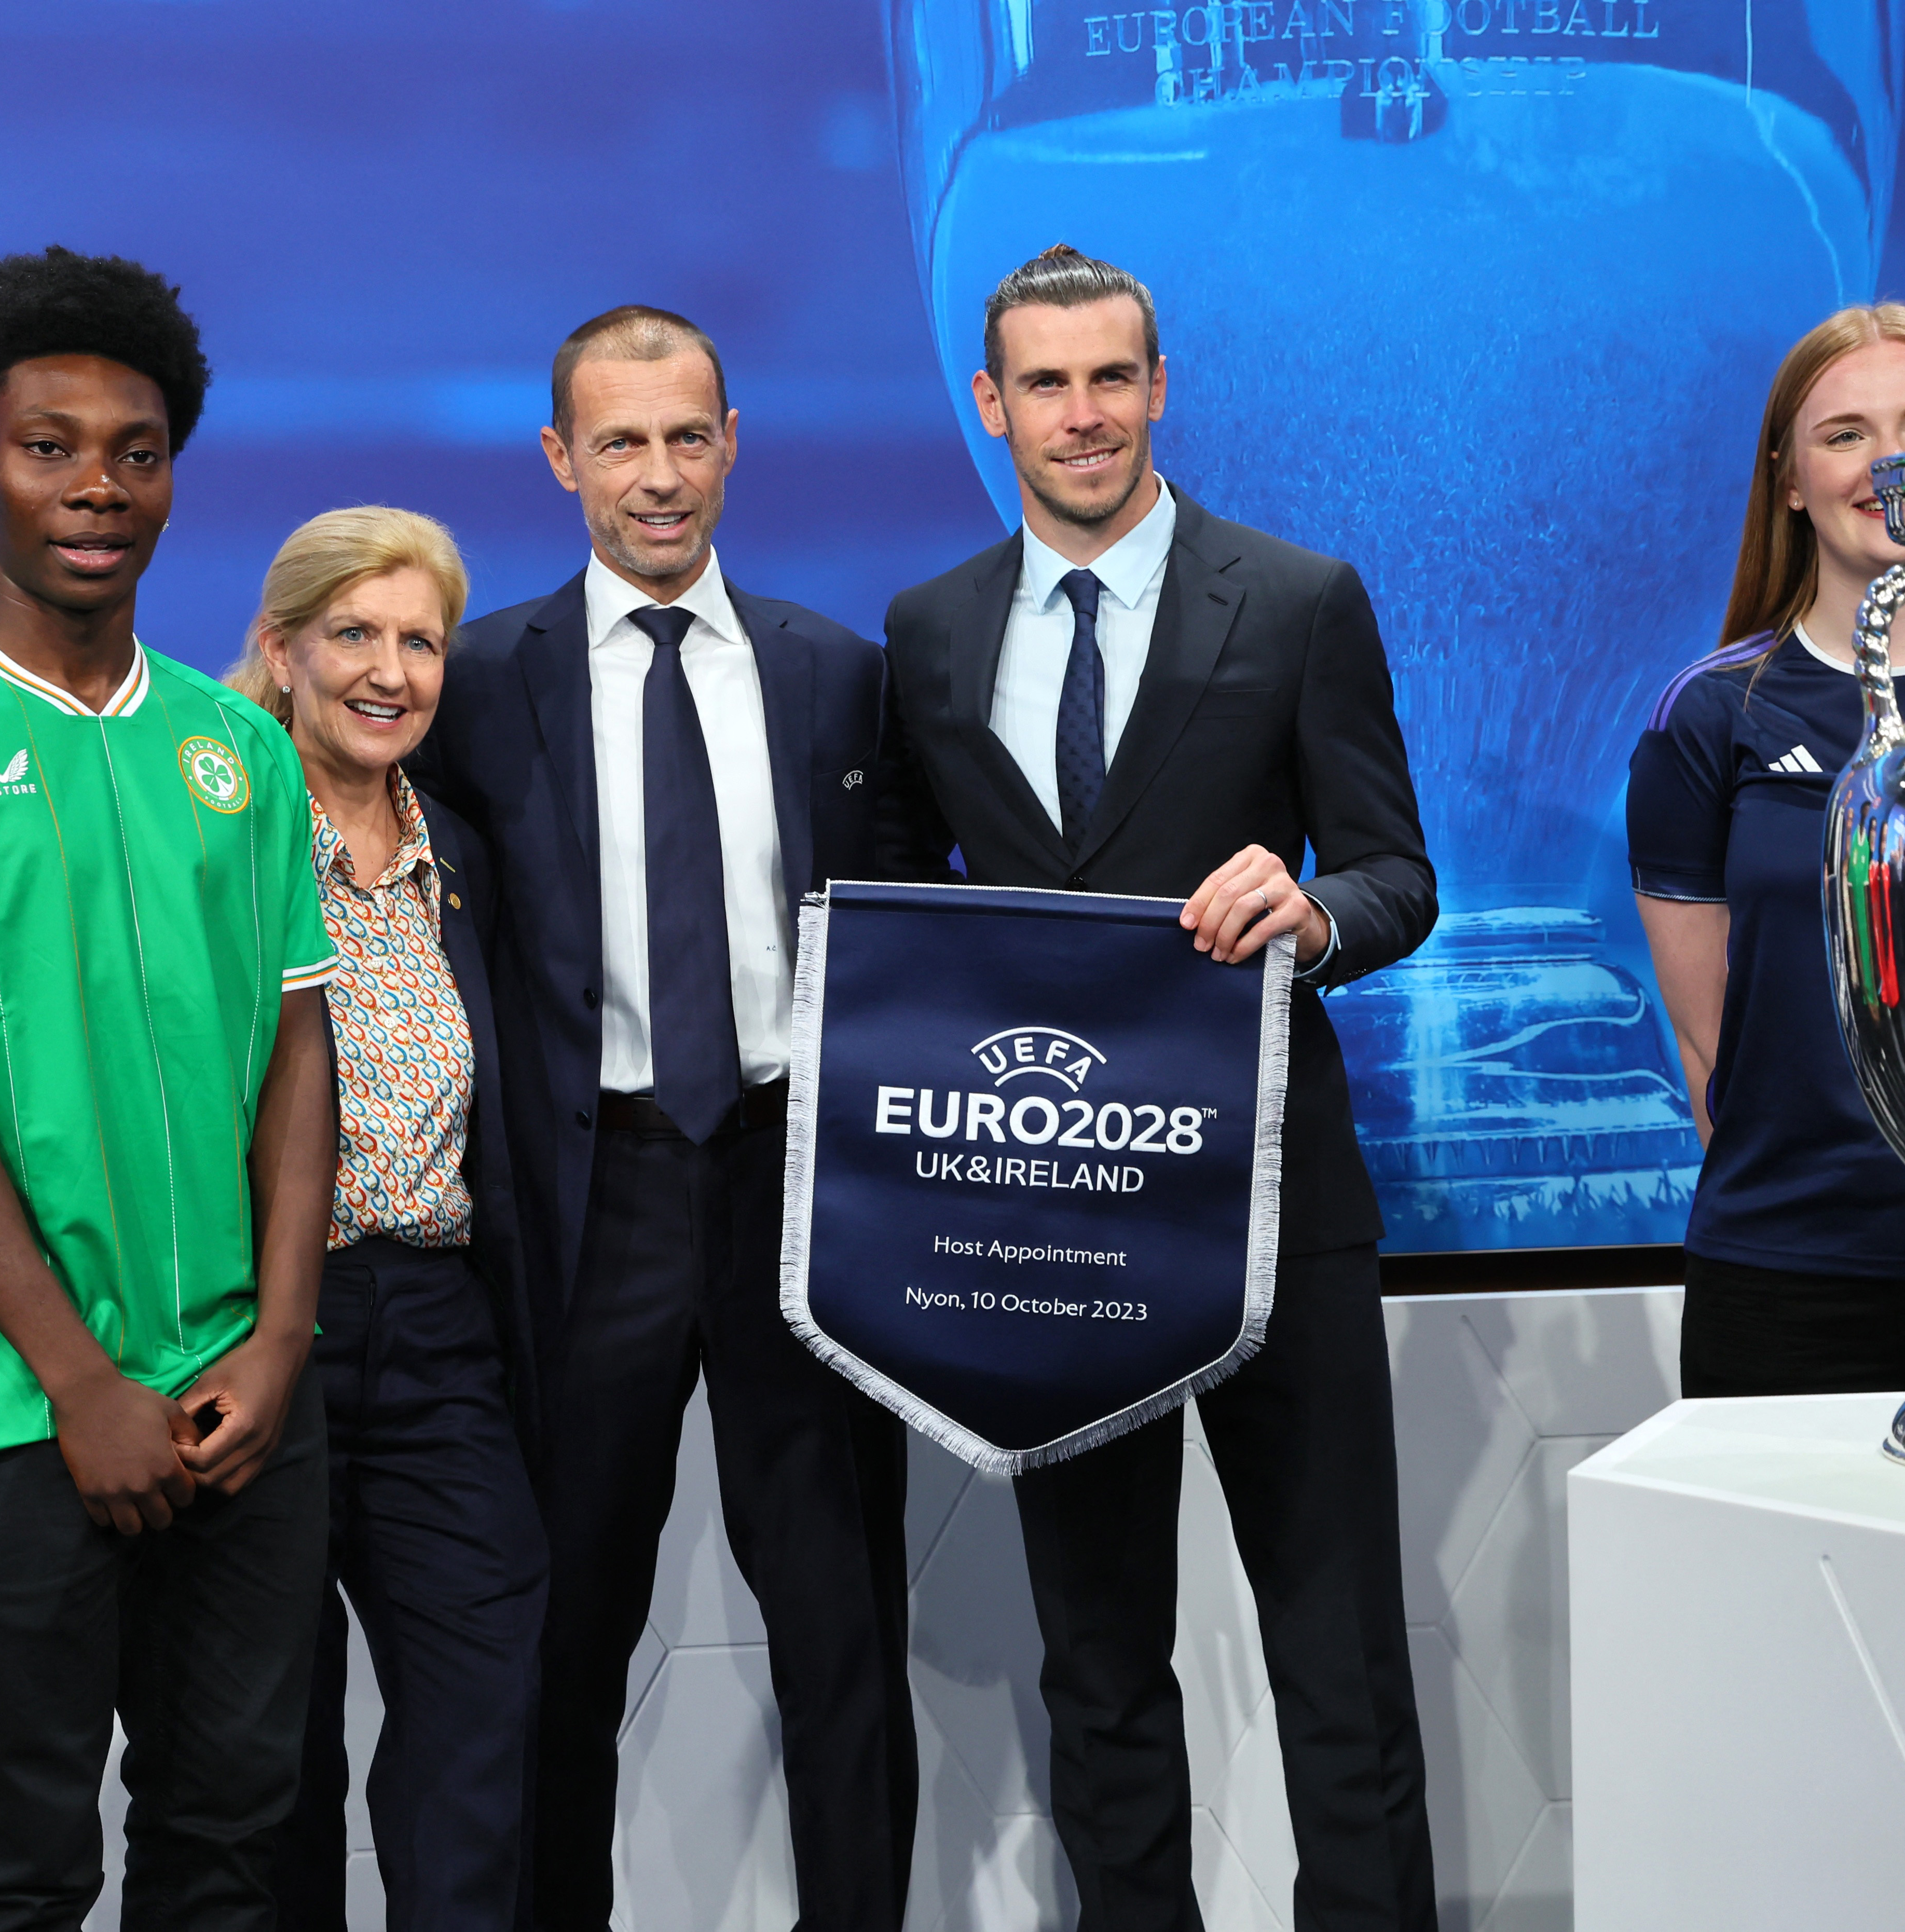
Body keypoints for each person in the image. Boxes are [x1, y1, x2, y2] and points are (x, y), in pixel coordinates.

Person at [873, 244, 1438, 1931]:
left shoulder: (1294, 598)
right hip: (1049, 1231)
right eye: (1043, 384)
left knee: (1335, 1651)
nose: (1080, 415)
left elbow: (1396, 874)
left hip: (1273, 1204)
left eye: (1108, 377)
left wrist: (1314, 910)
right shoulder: (927, 633)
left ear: (1157, 385)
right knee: (1098, 1658)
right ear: (990, 404)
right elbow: (910, 923)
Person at [0, 248, 341, 1931]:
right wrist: (82, 1381)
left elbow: (296, 1053)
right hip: (24, 1408)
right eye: (47, 446)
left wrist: (279, 1340)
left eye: (137, 447)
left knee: (231, 1842)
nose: (98, 484)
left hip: (242, 1400)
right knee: (26, 1861)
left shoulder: (234, 747)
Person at [414, 306, 916, 1932]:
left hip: (795, 1187)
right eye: (618, 441)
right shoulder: (478, 681)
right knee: (563, 1636)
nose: (656, 475)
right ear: (559, 459)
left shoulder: (840, 675)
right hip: (586, 1199)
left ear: (731, 441)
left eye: (686, 434)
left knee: (842, 1626)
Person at [223, 509, 547, 1932]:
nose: (389, 668)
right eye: (353, 632)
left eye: (418, 639)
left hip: (433, 1333)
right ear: (281, 649)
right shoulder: (210, 835)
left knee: (480, 1717)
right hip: (252, 1328)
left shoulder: (456, 852)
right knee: (267, 1748)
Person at [1627, 304, 1905, 1399]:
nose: (1890, 463)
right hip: (1787, 1269)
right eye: (1845, 434)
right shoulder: (1708, 717)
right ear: (1788, 480)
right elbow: (1710, 1056)